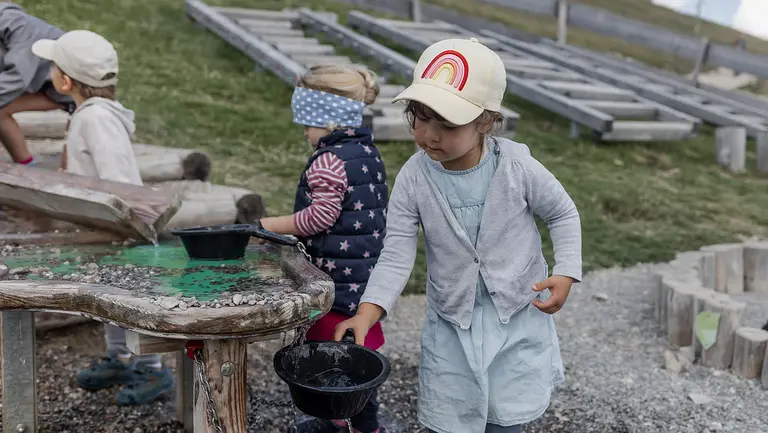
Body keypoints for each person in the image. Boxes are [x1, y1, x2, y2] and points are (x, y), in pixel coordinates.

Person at [334, 38, 583, 433]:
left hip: (516, 319)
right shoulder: (414, 179)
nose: (430, 135)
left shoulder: (518, 166)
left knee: (506, 418)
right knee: (450, 418)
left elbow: (562, 213)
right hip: (452, 323)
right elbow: (397, 252)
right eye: (419, 118)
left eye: (447, 125)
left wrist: (566, 271)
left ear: (485, 122)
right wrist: (369, 310)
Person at [32, 29, 175, 406]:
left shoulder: (96, 119)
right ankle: (121, 359)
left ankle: (153, 370)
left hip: (121, 228)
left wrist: (122, 223)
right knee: (108, 296)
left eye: (54, 66)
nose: (50, 71)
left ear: (65, 80)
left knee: (131, 300)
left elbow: (119, 182)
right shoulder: (90, 114)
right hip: (103, 228)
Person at [258, 63, 389, 433]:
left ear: (327, 120)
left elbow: (319, 218)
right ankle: (366, 426)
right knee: (359, 363)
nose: (305, 132)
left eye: (307, 123)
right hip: (364, 282)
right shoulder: (366, 151)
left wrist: (268, 226)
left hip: (336, 284)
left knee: (330, 368)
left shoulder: (329, 161)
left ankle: (338, 426)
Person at [0, 3, 75, 166]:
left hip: (76, 89)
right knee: (1, 111)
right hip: (45, 84)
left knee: (73, 160)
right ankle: (26, 167)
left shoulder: (18, 26)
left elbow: (18, 77)